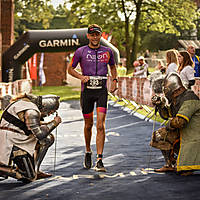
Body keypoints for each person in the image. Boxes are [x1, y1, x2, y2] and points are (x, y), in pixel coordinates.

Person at [68, 24, 117, 172]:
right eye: (92, 35)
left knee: (101, 125)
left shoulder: (107, 51)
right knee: (88, 125)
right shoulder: (80, 51)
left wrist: (114, 81)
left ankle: (100, 159)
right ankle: (88, 151)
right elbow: (70, 69)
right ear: (88, 36)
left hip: (101, 91)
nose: (95, 37)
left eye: (97, 34)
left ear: (100, 35)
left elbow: (113, 67)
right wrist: (81, 77)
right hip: (87, 92)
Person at [0, 94, 62, 183]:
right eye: (51, 111)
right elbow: (40, 135)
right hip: (12, 141)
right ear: (45, 106)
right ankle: (3, 169)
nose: (50, 114)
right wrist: (54, 123)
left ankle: (36, 170)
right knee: (29, 177)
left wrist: (48, 123)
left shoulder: (28, 105)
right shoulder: (32, 111)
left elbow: (28, 123)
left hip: (17, 137)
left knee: (48, 139)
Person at [151, 72, 200, 176]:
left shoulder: (189, 98)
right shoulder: (177, 99)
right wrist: (161, 106)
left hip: (194, 137)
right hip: (184, 134)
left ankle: (188, 164)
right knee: (159, 135)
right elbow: (167, 114)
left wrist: (168, 126)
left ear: (173, 90)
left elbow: (180, 122)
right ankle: (170, 164)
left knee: (184, 172)